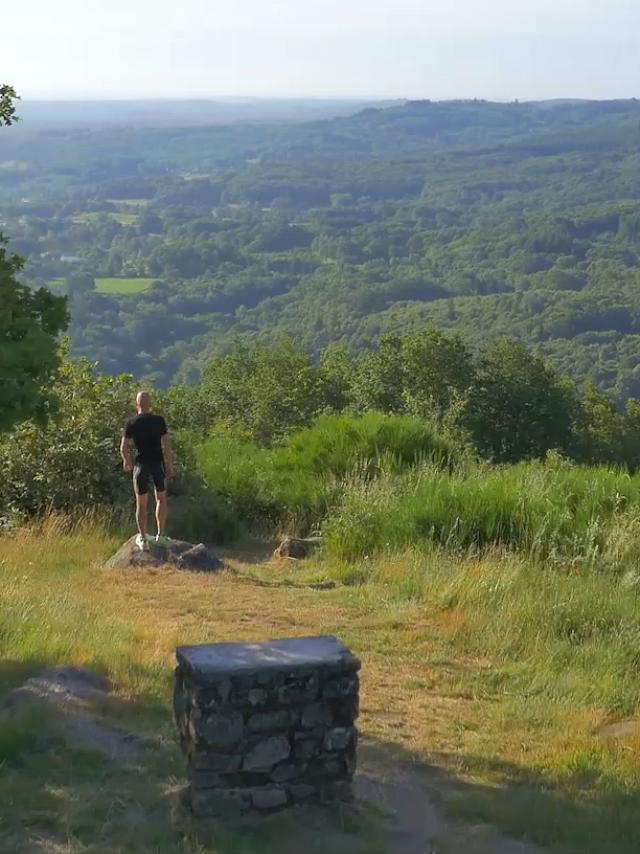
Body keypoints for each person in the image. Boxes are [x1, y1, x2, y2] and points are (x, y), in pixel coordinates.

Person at [120, 391, 176, 551]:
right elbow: (167, 445)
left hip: (140, 465)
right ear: (150, 404)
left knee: (141, 503)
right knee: (161, 499)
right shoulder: (159, 421)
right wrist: (170, 465)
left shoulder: (131, 422)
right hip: (157, 464)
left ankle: (143, 538)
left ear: (136, 404)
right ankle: (161, 534)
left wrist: (126, 460)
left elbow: (124, 446)